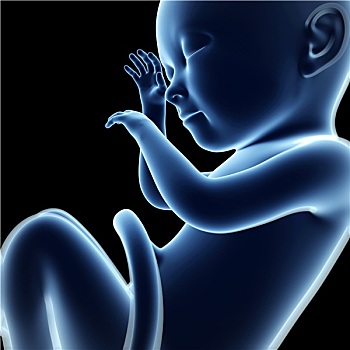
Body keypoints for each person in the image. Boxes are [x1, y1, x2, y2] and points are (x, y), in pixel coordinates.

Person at [2, 1, 349, 349]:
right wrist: (153, 112)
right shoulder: (256, 157)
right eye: (170, 72)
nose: (173, 90)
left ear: (319, 40)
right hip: (142, 322)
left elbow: (203, 204)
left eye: (194, 49)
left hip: (172, 339)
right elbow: (162, 194)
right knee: (36, 241)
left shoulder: (332, 164)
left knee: (44, 235)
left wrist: (144, 132)